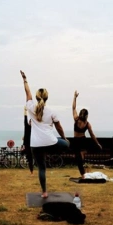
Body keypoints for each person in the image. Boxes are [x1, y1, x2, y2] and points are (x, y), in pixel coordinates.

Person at [20, 70, 69, 198]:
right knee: (66, 145)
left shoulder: (31, 108)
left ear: (37, 98)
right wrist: (64, 138)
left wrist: (25, 80)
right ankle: (51, 154)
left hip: (35, 145)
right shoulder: (51, 111)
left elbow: (27, 93)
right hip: (50, 142)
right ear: (47, 98)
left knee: (42, 168)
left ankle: (44, 192)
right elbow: (59, 127)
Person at [72, 90, 102, 178]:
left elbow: (73, 108)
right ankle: (83, 172)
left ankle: (83, 174)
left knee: (79, 158)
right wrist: (97, 144)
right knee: (79, 158)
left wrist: (74, 97)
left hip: (79, 140)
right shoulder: (85, 123)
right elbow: (92, 135)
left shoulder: (78, 120)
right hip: (81, 140)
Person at [21, 106, 34, 176]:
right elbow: (25, 118)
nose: (31, 123)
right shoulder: (27, 126)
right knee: (29, 159)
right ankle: (31, 171)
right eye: (30, 121)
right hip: (27, 145)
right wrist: (25, 110)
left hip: (32, 145)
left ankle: (32, 171)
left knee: (31, 159)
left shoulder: (34, 129)